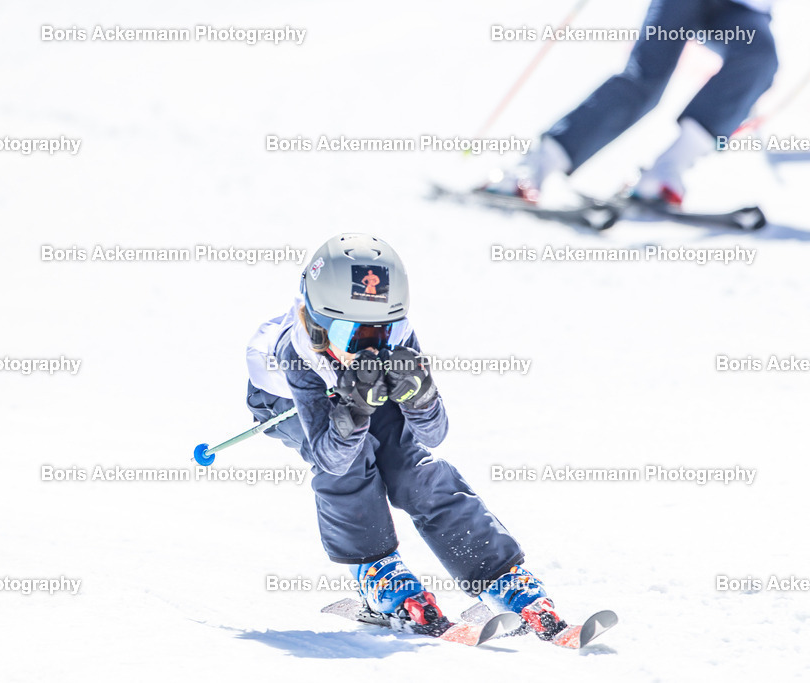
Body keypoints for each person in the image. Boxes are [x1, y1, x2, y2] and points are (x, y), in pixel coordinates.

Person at [244, 233, 567, 639]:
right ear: (317, 324)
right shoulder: (295, 353)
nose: (368, 347)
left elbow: (434, 434)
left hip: (359, 391)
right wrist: (354, 409)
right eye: (350, 335)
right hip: (282, 401)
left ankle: (500, 576)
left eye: (381, 332)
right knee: (353, 465)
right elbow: (333, 459)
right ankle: (377, 572)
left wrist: (420, 395)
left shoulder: (394, 342)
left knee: (414, 469)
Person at [485, 0, 779, 205]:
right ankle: (534, 165)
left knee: (759, 60)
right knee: (645, 78)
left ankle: (664, 175)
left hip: (745, 8)